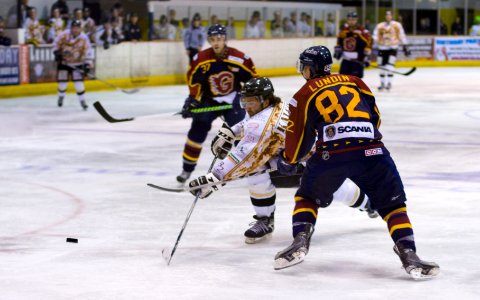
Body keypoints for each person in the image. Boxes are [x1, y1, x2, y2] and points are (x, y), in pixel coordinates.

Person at [272, 45, 440, 280]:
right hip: (372, 150)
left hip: (332, 154)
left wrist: (288, 160)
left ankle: (300, 241)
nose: (303, 72)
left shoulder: (303, 93)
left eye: (304, 67)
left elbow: (298, 141)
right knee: (393, 206)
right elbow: (376, 118)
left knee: (307, 198)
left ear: (310, 68)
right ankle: (409, 254)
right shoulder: (355, 81)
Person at [188, 77, 378, 243]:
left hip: (316, 161)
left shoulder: (263, 123)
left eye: (251, 102)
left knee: (336, 189)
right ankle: (265, 219)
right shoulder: (273, 107)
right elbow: (251, 126)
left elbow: (244, 158)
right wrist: (232, 132)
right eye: (244, 102)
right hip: (297, 158)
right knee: (258, 168)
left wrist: (215, 178)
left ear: (265, 100)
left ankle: (370, 203)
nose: (246, 107)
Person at [177, 24, 257, 184]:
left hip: (233, 100)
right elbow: (193, 80)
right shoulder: (200, 59)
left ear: (225, 39)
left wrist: (250, 98)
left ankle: (252, 169)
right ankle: (186, 170)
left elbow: (253, 79)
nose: (216, 43)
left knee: (241, 134)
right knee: (196, 132)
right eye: (213, 39)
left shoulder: (240, 58)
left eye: (219, 39)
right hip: (209, 100)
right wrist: (193, 99)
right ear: (209, 40)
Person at [53, 19, 93, 110]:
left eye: (77, 28)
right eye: (73, 28)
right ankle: (61, 97)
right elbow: (56, 43)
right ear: (71, 28)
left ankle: (82, 101)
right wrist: (56, 52)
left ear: (80, 29)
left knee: (79, 83)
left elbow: (88, 51)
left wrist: (87, 64)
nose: (75, 30)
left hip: (77, 63)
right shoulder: (64, 34)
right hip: (64, 63)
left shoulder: (84, 38)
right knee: (62, 84)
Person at [372, 11, 410, 91]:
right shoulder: (380, 26)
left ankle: (389, 83)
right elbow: (375, 36)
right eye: (387, 15)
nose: (388, 17)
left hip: (393, 47)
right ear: (385, 16)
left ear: (392, 16)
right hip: (382, 48)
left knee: (390, 65)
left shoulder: (397, 25)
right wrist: (375, 44)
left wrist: (405, 45)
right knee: (381, 66)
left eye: (390, 15)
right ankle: (382, 83)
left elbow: (402, 35)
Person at [334, 12, 372, 78]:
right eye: (349, 19)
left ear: (356, 20)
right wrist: (338, 51)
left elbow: (368, 45)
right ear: (347, 20)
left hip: (358, 61)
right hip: (345, 60)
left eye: (353, 20)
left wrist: (367, 59)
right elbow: (339, 43)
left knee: (355, 82)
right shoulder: (343, 31)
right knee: (343, 80)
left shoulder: (362, 31)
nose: (351, 21)